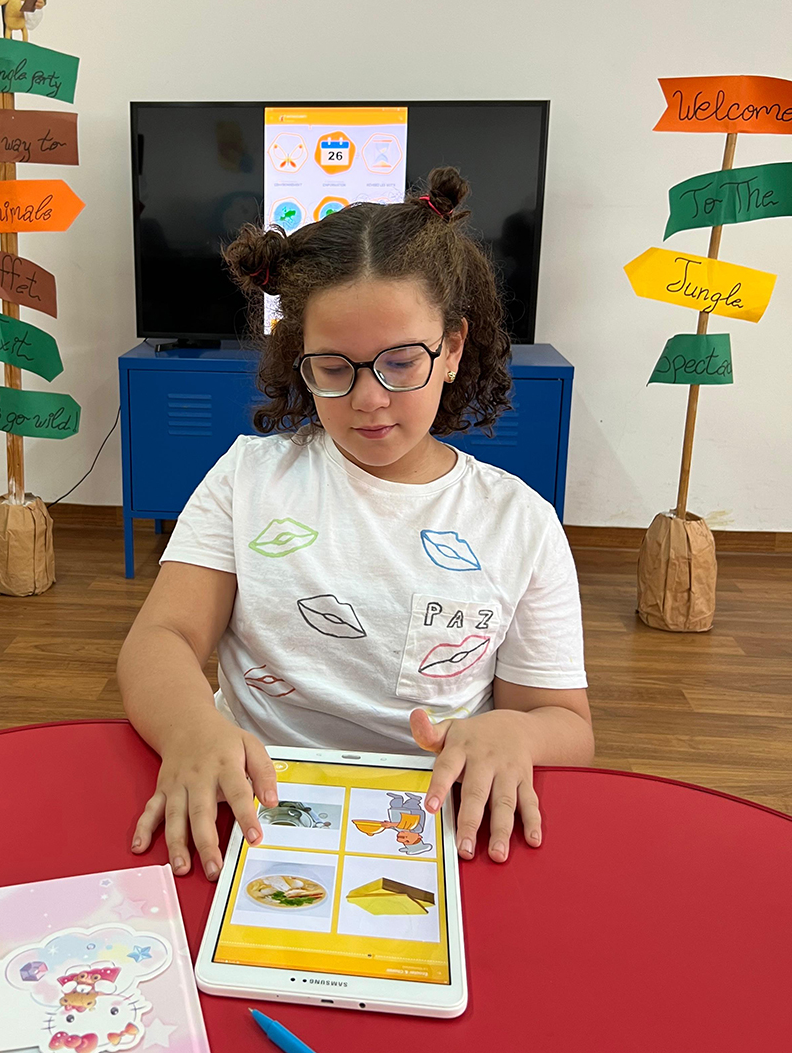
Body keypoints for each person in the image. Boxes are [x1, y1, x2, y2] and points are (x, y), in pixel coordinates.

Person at [118, 166, 594, 884]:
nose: (369, 398)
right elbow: (161, 638)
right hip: (250, 804)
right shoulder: (250, 478)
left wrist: (516, 733)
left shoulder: (519, 522)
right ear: (299, 360)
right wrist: (192, 728)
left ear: (452, 348)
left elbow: (566, 722)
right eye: (334, 368)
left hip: (435, 823)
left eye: (400, 362)